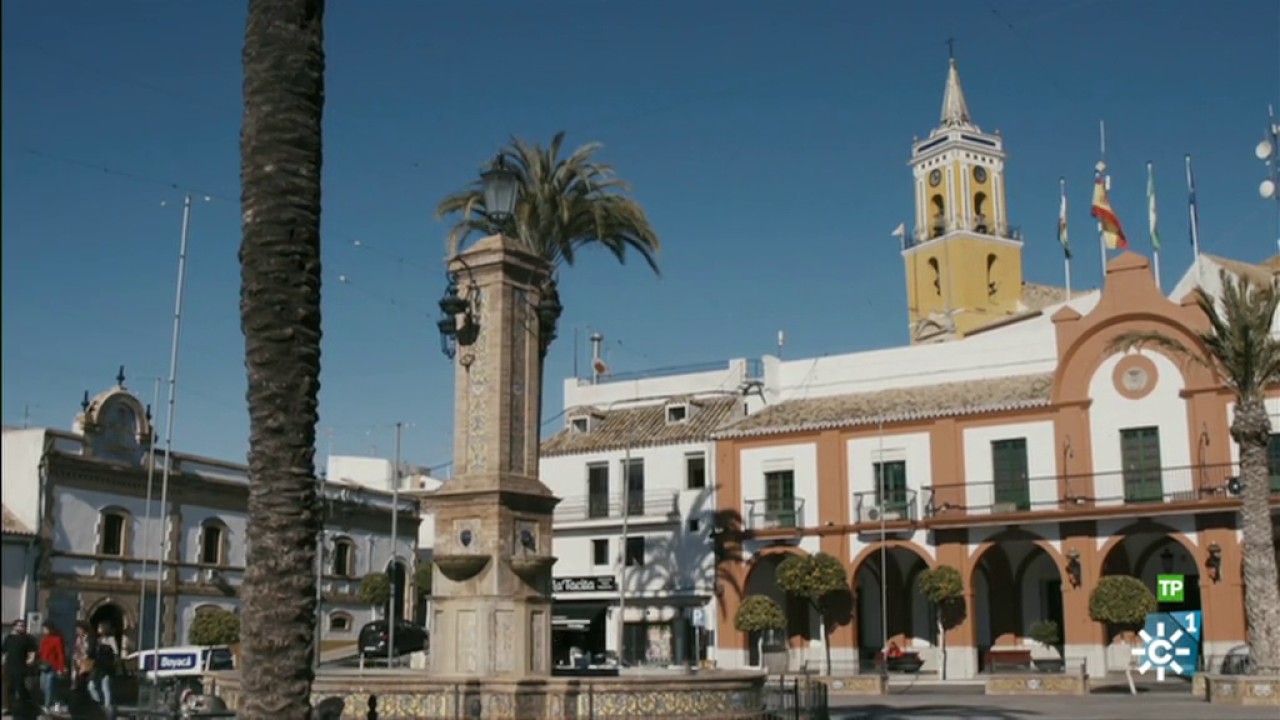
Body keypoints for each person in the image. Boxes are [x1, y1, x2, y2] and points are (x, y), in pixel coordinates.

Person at [2, 619, 38, 715]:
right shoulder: (9, 638)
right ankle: (8, 708)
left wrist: (31, 660)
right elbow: (4, 652)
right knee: (9, 688)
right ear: (15, 627)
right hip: (9, 667)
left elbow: (32, 651)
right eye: (20, 625)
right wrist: (3, 662)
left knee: (21, 688)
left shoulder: (27, 638)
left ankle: (24, 707)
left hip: (21, 667)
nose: (22, 627)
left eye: (23, 625)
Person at [88, 621, 119, 719]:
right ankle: (98, 702)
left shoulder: (111, 639)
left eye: (100, 627)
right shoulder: (98, 640)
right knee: (91, 686)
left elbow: (116, 653)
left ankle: (107, 707)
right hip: (98, 667)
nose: (98, 629)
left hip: (107, 667)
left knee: (105, 685)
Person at [37, 620, 67, 711]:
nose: (44, 631)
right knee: (43, 686)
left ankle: (47, 706)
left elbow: (61, 654)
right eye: (43, 629)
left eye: (46, 629)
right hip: (44, 665)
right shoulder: (44, 639)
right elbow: (41, 652)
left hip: (53, 666)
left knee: (49, 686)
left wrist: (61, 668)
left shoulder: (57, 639)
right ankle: (57, 701)